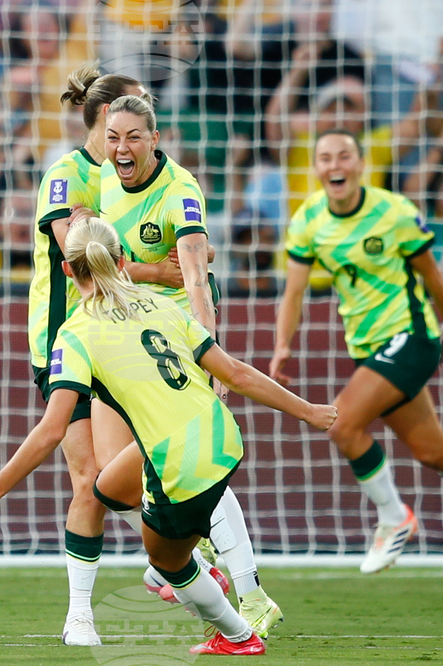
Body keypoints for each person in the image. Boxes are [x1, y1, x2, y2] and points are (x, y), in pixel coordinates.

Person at [0, 218, 337, 656]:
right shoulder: (160, 304)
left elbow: (52, 430)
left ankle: (237, 634)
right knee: (107, 487)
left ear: (66, 270)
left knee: (167, 564)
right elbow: (235, 373)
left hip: (178, 464)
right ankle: (196, 559)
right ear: (123, 259)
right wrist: (308, 411)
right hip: (222, 436)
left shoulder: (75, 334)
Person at [269, 128, 443, 575]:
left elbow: (433, 278)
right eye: (325, 158)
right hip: (368, 347)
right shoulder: (308, 220)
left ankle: (394, 519)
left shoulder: (394, 212)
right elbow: (293, 293)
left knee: (341, 423)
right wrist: (282, 345)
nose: (335, 165)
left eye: (344, 156)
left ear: (361, 164)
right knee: (433, 451)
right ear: (316, 168)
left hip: (412, 337)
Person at [97, 94, 287, 636]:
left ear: (154, 139)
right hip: (122, 336)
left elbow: (197, 277)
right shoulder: (103, 180)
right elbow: (106, 258)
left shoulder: (180, 190)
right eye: (114, 137)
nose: (122, 148)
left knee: (181, 463)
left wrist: (212, 359)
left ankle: (250, 592)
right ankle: (196, 555)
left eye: (134, 137)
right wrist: (146, 270)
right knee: (113, 481)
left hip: (174, 343)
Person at [26, 63, 187, 647]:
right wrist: (157, 271)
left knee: (151, 464)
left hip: (125, 341)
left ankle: (172, 559)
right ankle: (79, 615)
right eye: (132, 107)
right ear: (103, 116)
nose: (139, 122)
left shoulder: (142, 179)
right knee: (90, 477)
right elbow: (81, 251)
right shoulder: (66, 176)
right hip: (67, 342)